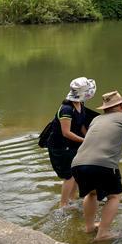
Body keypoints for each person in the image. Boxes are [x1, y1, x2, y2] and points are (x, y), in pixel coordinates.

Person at [71, 91, 122, 242]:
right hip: (103, 164)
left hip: (78, 163)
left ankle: (89, 228)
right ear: (121, 106)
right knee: (114, 196)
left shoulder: (96, 119)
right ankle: (103, 234)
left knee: (91, 194)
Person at [46, 77, 97, 208]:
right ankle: (63, 205)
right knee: (69, 176)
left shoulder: (80, 104)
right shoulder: (66, 109)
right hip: (61, 147)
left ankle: (72, 200)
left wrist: (89, 138)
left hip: (72, 145)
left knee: (76, 173)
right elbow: (66, 132)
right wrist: (85, 141)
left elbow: (81, 125)